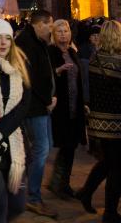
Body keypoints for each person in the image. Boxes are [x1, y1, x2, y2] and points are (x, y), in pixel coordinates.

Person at [75, 20, 121, 223]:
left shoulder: (96, 58)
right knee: (119, 168)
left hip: (99, 123)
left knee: (107, 162)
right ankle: (110, 212)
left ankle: (86, 192)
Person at [0, 19, 31, 222]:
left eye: (7, 38)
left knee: (18, 205)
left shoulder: (20, 66)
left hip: (15, 145)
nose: (3, 43)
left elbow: (23, 105)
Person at [14, 9, 56, 216]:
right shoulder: (28, 44)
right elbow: (31, 79)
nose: (51, 29)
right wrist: (48, 100)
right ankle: (33, 196)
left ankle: (28, 190)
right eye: (50, 25)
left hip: (39, 105)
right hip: (34, 106)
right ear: (40, 24)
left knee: (39, 150)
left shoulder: (36, 41)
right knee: (41, 149)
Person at [47, 18, 86, 201]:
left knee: (71, 146)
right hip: (60, 106)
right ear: (54, 34)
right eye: (59, 31)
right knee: (65, 145)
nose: (63, 34)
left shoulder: (72, 51)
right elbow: (45, 76)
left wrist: (84, 102)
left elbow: (79, 78)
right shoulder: (51, 52)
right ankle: (58, 183)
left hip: (74, 105)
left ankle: (63, 183)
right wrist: (58, 70)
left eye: (66, 31)